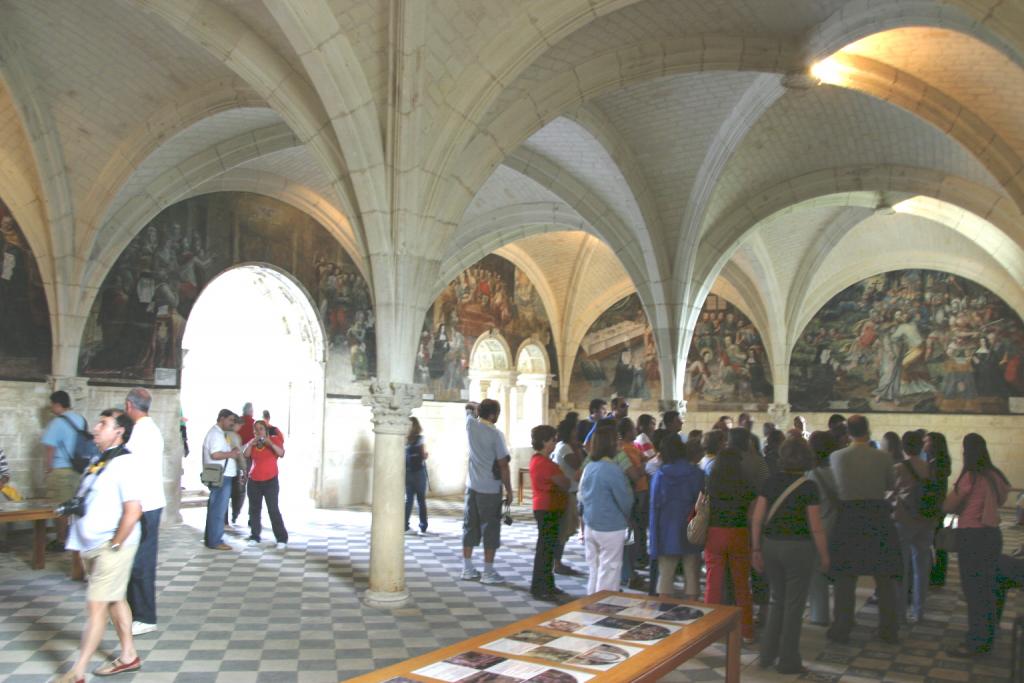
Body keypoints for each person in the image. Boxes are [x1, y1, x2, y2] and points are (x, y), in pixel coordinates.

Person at [56, 409, 143, 683]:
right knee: (114, 599)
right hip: (94, 543)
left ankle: (77, 672)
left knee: (96, 607)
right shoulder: (101, 460)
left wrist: (115, 545)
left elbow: (134, 511)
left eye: (103, 424)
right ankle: (129, 656)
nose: (95, 427)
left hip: (111, 545)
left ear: (119, 432)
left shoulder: (126, 463)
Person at [751, 437, 829, 674]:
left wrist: (755, 549)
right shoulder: (809, 487)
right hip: (798, 548)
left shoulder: (770, 481)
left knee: (777, 601)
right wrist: (824, 555)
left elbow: (757, 518)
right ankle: (788, 660)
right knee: (794, 606)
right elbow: (816, 527)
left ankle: (766, 654)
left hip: (771, 546)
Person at [827, 415, 901, 644]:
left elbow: (835, 486)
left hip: (848, 516)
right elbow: (890, 484)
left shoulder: (837, 456)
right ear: (868, 431)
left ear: (848, 433)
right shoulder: (883, 457)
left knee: (845, 577)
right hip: (877, 515)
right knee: (884, 577)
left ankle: (842, 627)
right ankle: (888, 629)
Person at [942, 433, 1011, 657]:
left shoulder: (970, 476)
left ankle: (976, 641)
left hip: (972, 537)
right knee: (989, 586)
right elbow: (1002, 499)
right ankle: (989, 632)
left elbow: (949, 505)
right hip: (992, 535)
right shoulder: (995, 475)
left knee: (973, 590)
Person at [123, 388, 164, 637]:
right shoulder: (147, 429)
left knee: (142, 562)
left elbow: (129, 465)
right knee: (134, 559)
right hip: (144, 502)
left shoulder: (142, 431)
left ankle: (146, 617)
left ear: (129, 405)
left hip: (145, 504)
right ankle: (131, 611)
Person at [704, 447, 756, 642]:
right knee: (741, 584)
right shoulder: (746, 483)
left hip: (714, 534)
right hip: (738, 533)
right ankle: (746, 630)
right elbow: (751, 513)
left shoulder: (710, 482)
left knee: (713, 583)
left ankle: (708, 631)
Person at [461, 400, 513, 584]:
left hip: (471, 486)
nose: (498, 416)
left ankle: (467, 569)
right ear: (492, 415)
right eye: (497, 412)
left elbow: (468, 406)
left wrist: (477, 407)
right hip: (490, 488)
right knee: (490, 529)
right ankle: (488, 572)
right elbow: (503, 465)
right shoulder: (495, 435)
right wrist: (509, 490)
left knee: (469, 526)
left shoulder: (470, 425)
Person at [578, 425, 633, 594]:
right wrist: (628, 517)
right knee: (610, 570)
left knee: (594, 570)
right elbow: (625, 500)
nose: (619, 444)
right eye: (617, 440)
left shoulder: (589, 467)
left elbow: (581, 496)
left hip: (590, 524)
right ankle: (604, 606)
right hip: (610, 527)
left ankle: (591, 602)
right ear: (611, 444)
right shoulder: (613, 470)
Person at [648, 436, 704, 599]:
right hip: (691, 527)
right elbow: (702, 505)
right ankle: (693, 610)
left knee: (665, 575)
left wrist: (653, 541)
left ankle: (664, 608)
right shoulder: (697, 473)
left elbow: (654, 508)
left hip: (666, 529)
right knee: (692, 574)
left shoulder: (660, 475)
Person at [892, 430, 934, 624]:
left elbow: (891, 491)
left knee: (901, 568)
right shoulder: (929, 467)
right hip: (925, 520)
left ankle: (900, 612)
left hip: (904, 520)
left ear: (904, 447)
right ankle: (919, 611)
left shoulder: (899, 468)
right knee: (922, 567)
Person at [529, 424, 570, 601]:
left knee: (548, 549)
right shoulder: (545, 464)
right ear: (545, 442)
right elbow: (565, 483)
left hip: (546, 507)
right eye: (553, 440)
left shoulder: (538, 460)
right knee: (545, 550)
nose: (555, 443)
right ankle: (540, 588)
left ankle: (548, 584)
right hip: (547, 508)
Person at [41, 390, 86, 548]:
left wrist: (48, 469)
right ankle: (72, 538)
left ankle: (61, 540)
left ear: (58, 404)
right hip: (78, 470)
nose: (51, 408)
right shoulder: (80, 419)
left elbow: (50, 448)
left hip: (61, 470)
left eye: (52, 405)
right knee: (74, 506)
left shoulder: (57, 422)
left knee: (60, 506)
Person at [806, 430, 840, 626]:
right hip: (840, 526)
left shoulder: (812, 475)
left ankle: (819, 615)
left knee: (818, 573)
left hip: (820, 526)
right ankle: (843, 615)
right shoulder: (839, 471)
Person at [243, 420, 288, 548]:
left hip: (270, 481)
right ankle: (255, 536)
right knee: (254, 510)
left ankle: (281, 538)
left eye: (261, 429)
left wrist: (270, 444)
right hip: (254, 481)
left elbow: (281, 453)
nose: (258, 432)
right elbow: (246, 454)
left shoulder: (274, 440)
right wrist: (250, 444)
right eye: (256, 429)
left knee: (273, 509)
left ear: (266, 430)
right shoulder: (253, 442)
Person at [202, 409, 240, 550]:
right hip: (221, 476)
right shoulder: (216, 434)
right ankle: (215, 540)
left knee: (217, 508)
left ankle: (212, 538)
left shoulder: (220, 434)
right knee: (218, 510)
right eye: (230, 420)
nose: (232, 423)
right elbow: (215, 454)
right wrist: (232, 454)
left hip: (222, 475)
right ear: (222, 418)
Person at [551, 412, 584, 576]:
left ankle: (557, 562)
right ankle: (556, 563)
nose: (577, 432)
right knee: (563, 530)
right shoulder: (565, 447)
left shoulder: (565, 446)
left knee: (566, 530)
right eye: (575, 430)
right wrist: (577, 448)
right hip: (565, 492)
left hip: (569, 491)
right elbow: (579, 465)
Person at [926, 431, 952, 587]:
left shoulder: (937, 464)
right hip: (938, 507)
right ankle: (937, 575)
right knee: (938, 543)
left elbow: (933, 488)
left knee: (937, 543)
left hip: (934, 507)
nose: (924, 444)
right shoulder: (939, 461)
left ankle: (937, 576)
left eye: (927, 441)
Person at [231, 402, 255, 525]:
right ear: (251, 412)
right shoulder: (254, 424)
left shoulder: (236, 423)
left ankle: (234, 513)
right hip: (248, 459)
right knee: (247, 487)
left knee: (236, 485)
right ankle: (249, 517)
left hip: (233, 458)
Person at [405, 417, 429, 535]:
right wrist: (425, 455)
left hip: (407, 472)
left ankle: (405, 525)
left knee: (408, 500)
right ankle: (423, 526)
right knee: (421, 500)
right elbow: (423, 455)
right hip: (419, 472)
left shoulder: (404, 439)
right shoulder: (420, 438)